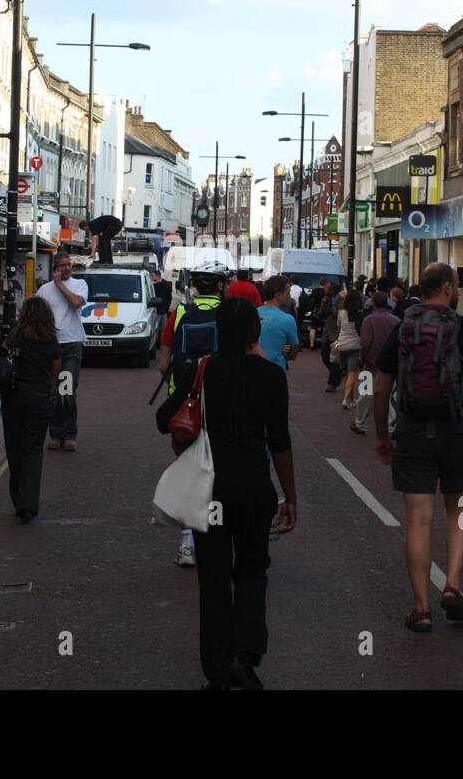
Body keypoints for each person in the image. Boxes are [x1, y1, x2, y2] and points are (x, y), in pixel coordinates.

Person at [156, 298, 297, 689]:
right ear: (254, 331)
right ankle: (246, 653)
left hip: (211, 491)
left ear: (219, 330)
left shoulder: (203, 371)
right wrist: (291, 496)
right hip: (254, 488)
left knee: (214, 580)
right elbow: (281, 442)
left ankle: (217, 672)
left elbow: (162, 418)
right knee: (252, 571)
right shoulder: (272, 377)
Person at [373, 263, 463, 629]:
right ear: (447, 288)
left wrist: (383, 435)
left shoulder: (402, 330)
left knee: (417, 520)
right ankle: (453, 585)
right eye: (457, 285)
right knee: (460, 510)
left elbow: (381, 387)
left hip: (413, 433)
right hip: (459, 432)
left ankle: (421, 608)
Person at [158, 261, 228, 568]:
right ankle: (214, 537)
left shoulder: (180, 313)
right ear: (221, 286)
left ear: (196, 286)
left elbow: (163, 361)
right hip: (219, 401)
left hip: (185, 404)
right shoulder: (226, 315)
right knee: (216, 472)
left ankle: (187, 544)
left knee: (189, 471)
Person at [0, 297, 62, 523]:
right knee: (33, 451)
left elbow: (2, 354)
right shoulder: (51, 338)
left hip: (14, 397)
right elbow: (56, 371)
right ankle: (29, 504)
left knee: (14, 449)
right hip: (40, 398)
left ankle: (18, 499)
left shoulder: (16, 335)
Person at [35, 253, 87, 452]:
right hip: (51, 347)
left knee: (67, 391)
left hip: (71, 345)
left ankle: (70, 434)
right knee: (53, 393)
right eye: (62, 266)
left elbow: (75, 303)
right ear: (55, 268)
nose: (67, 268)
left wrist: (59, 285)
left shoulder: (80, 285)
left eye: (69, 265)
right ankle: (56, 435)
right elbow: (37, 316)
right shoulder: (43, 291)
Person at [353, 291, 398, 435]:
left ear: (373, 304)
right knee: (391, 395)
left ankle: (360, 422)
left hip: (370, 362)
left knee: (365, 393)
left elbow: (366, 342)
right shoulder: (396, 320)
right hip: (391, 365)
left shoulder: (369, 320)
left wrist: (362, 357)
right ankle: (393, 426)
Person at [257, 276, 300, 372]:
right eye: (287, 292)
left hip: (253, 370)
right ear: (278, 295)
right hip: (276, 371)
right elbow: (293, 353)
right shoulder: (287, 319)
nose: (289, 296)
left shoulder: (253, 313)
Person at [336, 288, 364, 409]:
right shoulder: (359, 314)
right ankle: (345, 399)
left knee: (347, 373)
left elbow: (339, 326)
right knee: (352, 374)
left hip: (342, 344)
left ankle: (351, 399)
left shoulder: (341, 312)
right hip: (354, 345)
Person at [319, 281, 343, 392]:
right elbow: (321, 315)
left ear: (333, 290)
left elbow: (340, 316)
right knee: (325, 357)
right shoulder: (325, 300)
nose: (325, 290)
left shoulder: (341, 301)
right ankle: (338, 373)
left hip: (337, 334)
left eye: (327, 288)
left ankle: (332, 383)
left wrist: (331, 306)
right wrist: (323, 306)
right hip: (326, 334)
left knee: (333, 360)